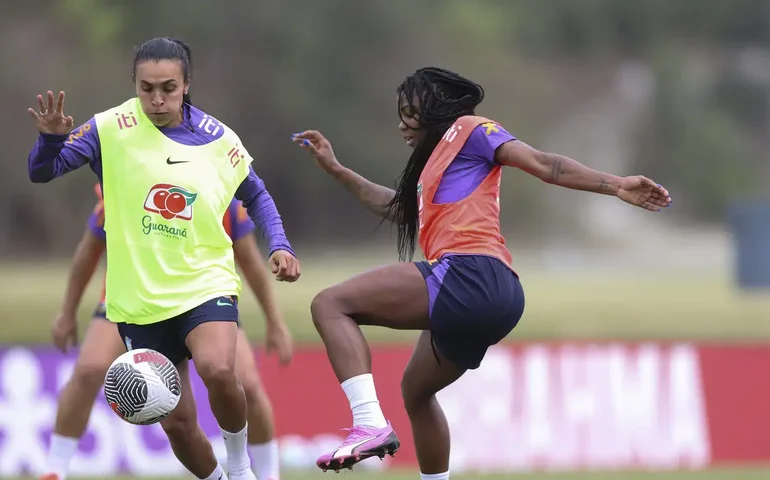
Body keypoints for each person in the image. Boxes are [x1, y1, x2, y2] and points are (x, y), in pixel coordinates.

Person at [292, 66, 672, 478]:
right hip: (498, 295)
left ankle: (368, 423)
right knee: (416, 392)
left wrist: (615, 185)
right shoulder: (430, 169)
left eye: (409, 111)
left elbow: (545, 164)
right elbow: (397, 209)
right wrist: (337, 170)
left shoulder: (470, 129)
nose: (402, 122)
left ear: (433, 109)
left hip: (470, 274)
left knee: (330, 304)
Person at [27, 37, 300, 480]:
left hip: (204, 283)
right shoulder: (108, 127)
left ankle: (241, 466)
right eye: (146, 88)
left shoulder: (218, 138)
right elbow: (42, 173)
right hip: (139, 301)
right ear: (134, 84)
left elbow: (258, 194)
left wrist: (281, 245)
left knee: (217, 369)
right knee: (176, 422)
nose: (156, 99)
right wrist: (50, 143)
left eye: (168, 88)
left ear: (187, 84)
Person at [40, 184, 290, 480]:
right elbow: (89, 250)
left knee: (244, 382)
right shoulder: (127, 184)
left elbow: (249, 260)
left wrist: (275, 321)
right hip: (131, 300)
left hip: (204, 297)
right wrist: (67, 313)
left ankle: (268, 474)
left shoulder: (218, 188)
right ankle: (55, 470)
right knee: (90, 369)